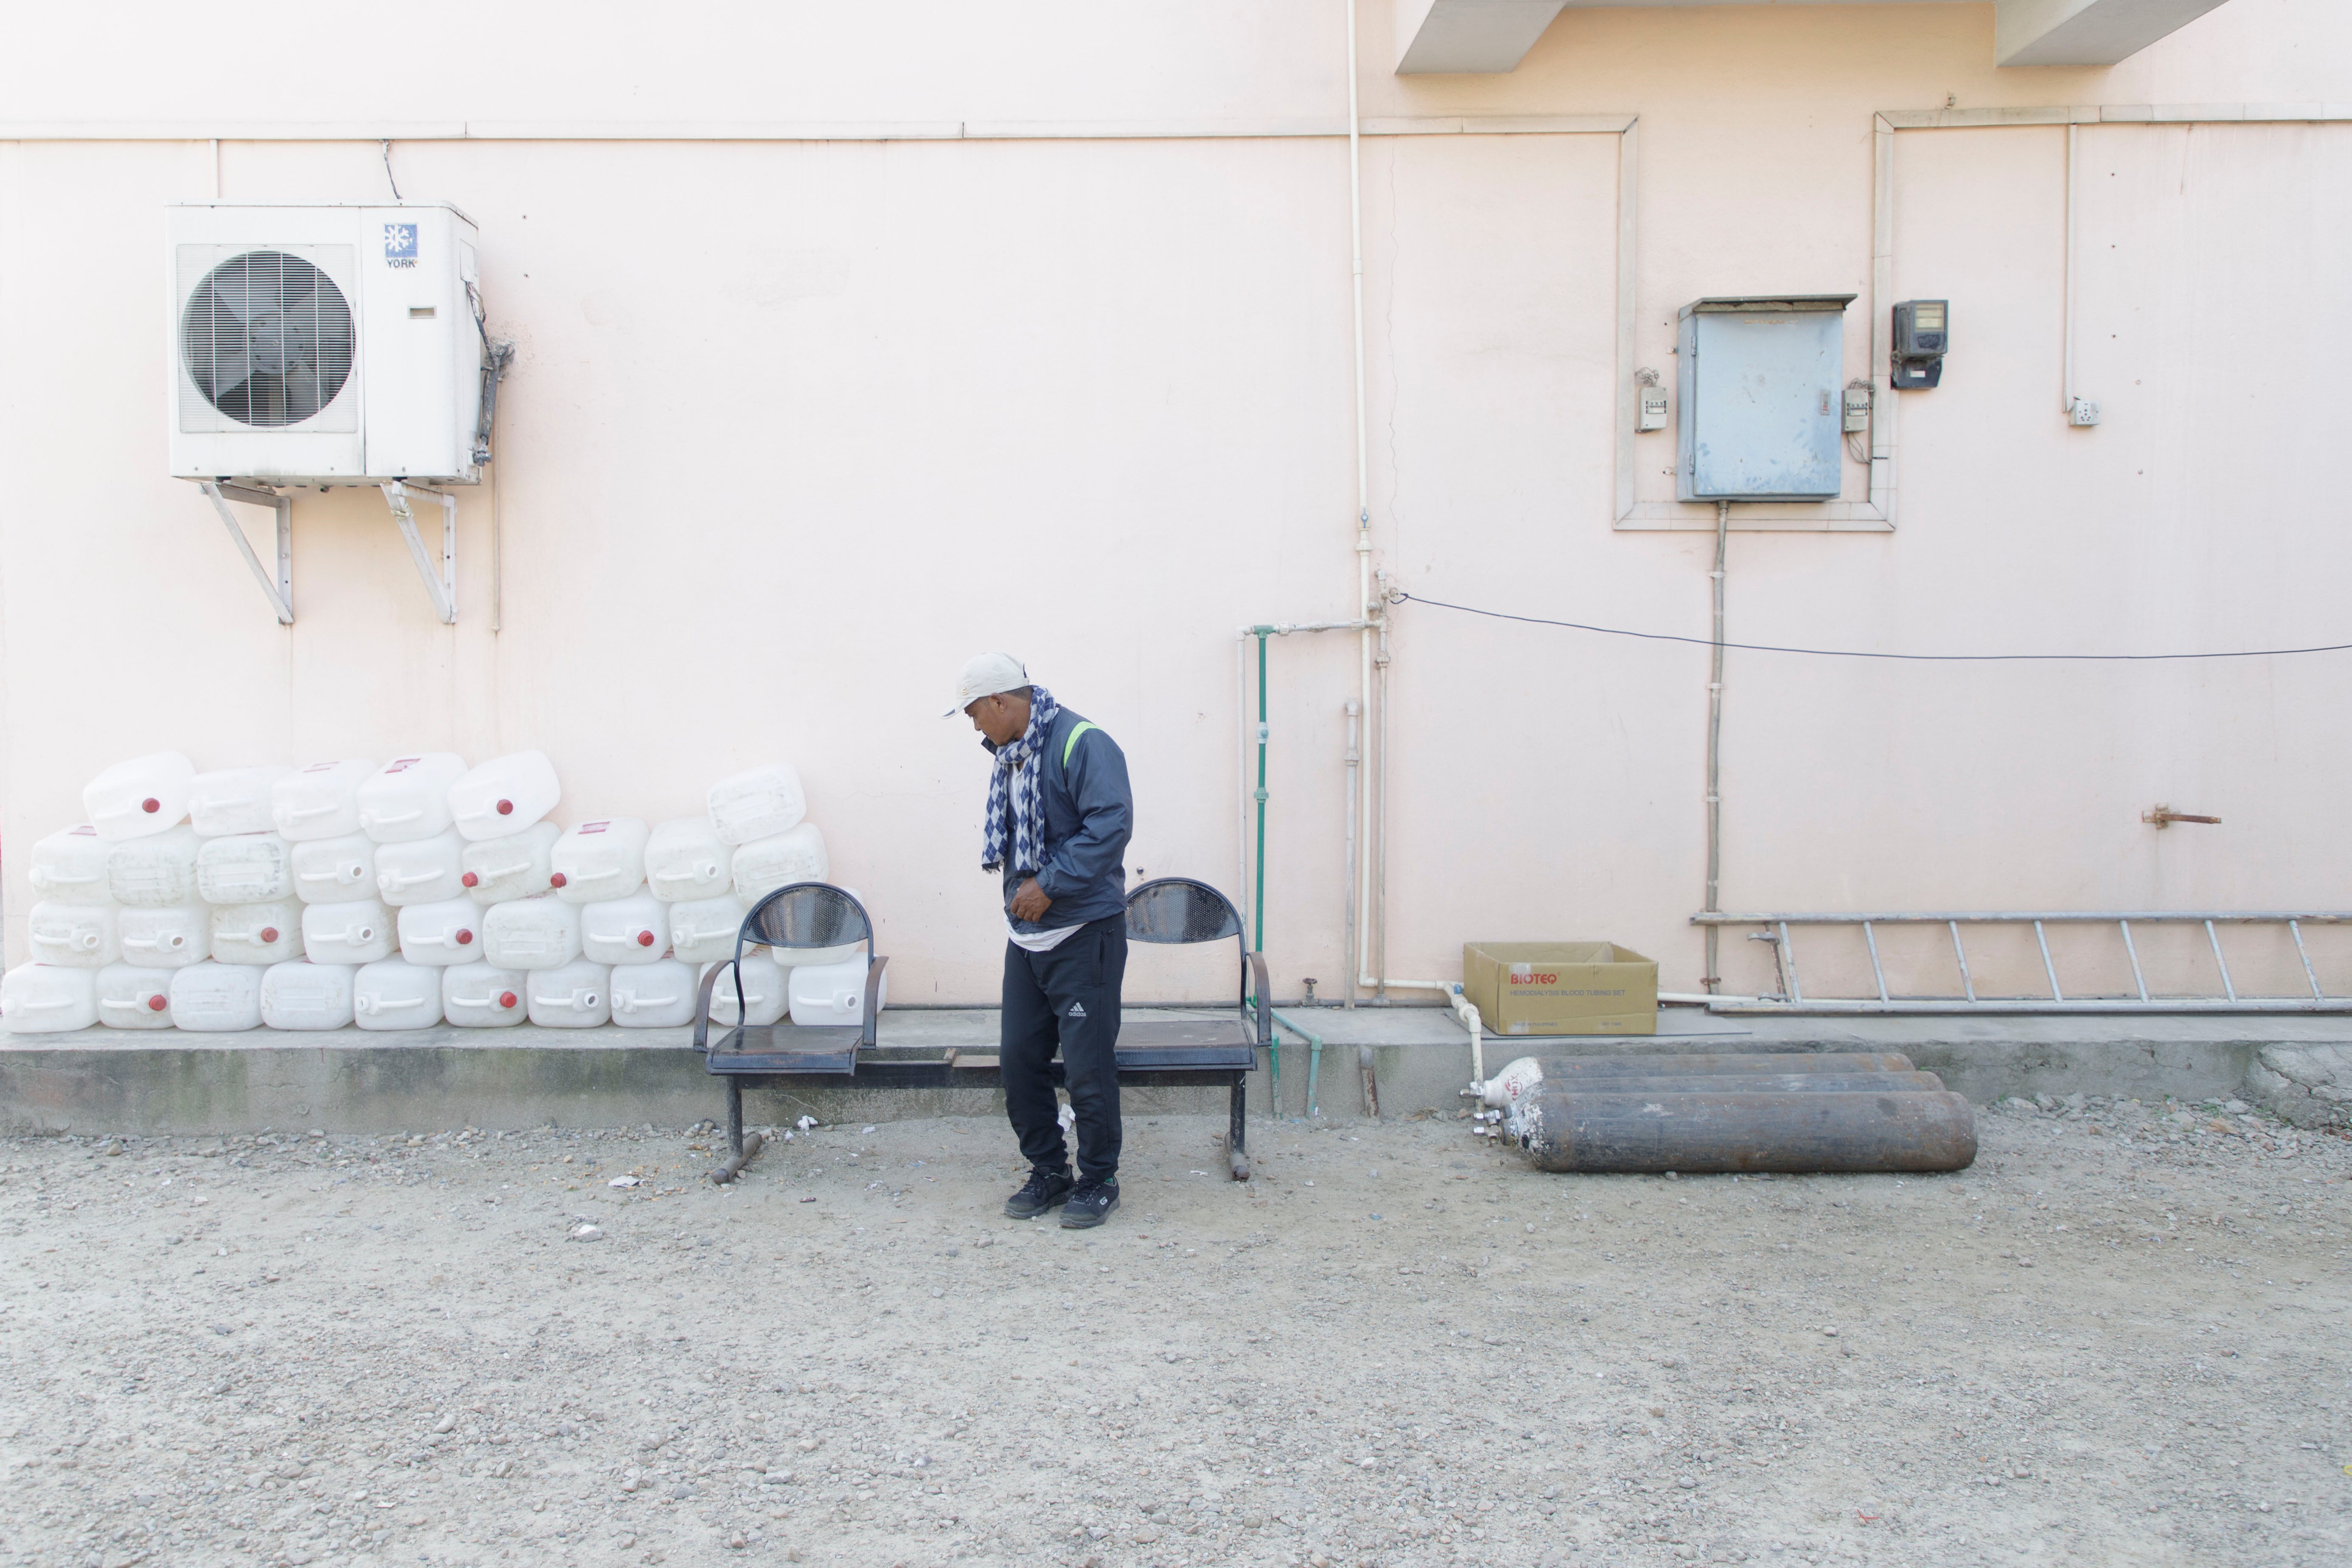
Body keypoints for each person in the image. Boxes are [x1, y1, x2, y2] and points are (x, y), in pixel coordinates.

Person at [948, 653, 1134, 1228]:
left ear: (1003, 702)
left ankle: (1099, 1179)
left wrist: (1048, 885)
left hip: (1083, 932)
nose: (976, 728)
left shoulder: (1083, 742)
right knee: (1020, 1057)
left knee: (1087, 1065)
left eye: (977, 715)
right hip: (1027, 936)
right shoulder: (1013, 753)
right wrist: (1027, 896)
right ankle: (1048, 1169)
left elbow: (1111, 824)